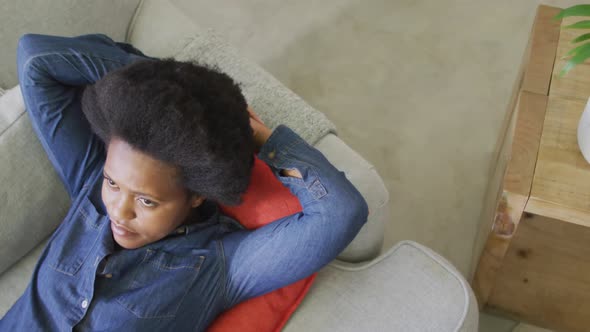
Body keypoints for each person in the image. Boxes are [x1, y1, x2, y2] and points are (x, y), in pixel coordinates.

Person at [0, 33, 368, 331]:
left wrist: (258, 137)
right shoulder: (90, 184)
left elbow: (341, 212)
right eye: (112, 183)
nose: (119, 210)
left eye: (147, 201)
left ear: (195, 195)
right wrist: (170, 90)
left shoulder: (219, 266)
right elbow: (37, 59)